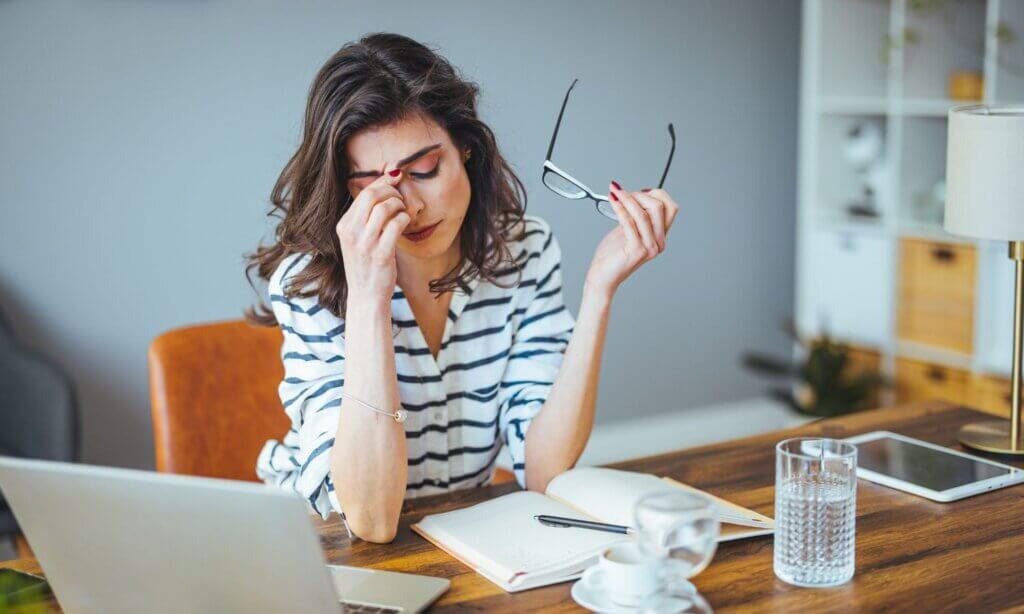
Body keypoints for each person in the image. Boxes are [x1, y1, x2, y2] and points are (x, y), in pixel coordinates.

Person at [247, 32, 680, 543]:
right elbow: (371, 520)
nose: (411, 206)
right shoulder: (309, 284)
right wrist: (368, 300)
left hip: (456, 538)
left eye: (425, 170)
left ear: (466, 147)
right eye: (373, 187)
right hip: (318, 543)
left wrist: (599, 292)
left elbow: (544, 473)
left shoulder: (523, 252)